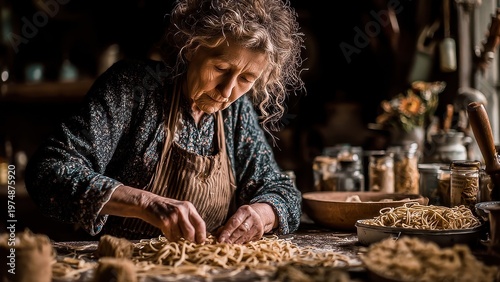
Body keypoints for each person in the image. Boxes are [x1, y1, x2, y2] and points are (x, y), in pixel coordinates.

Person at [25, 0, 305, 244]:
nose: (227, 91)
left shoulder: (236, 112)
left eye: (246, 79)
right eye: (220, 68)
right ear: (191, 47)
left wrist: (263, 213)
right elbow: (50, 172)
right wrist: (146, 203)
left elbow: (282, 190)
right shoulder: (133, 87)